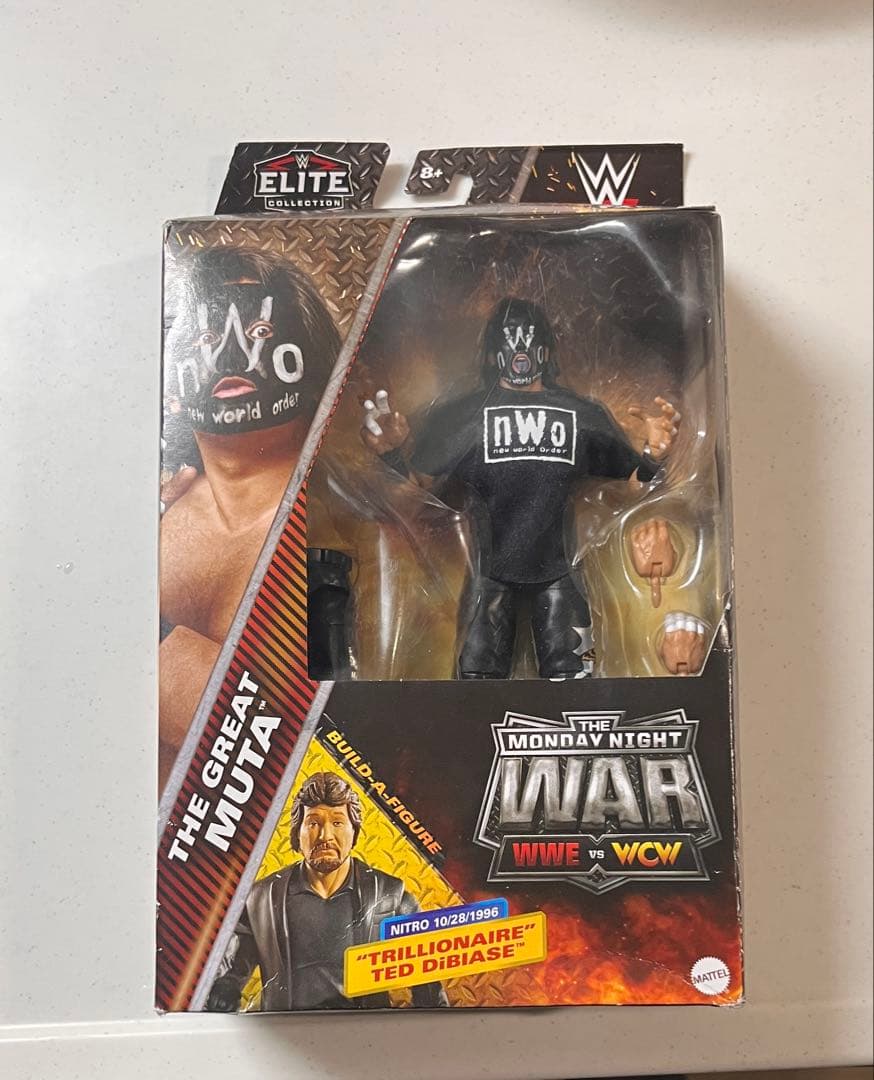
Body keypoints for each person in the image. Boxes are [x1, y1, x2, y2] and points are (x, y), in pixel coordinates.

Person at [360, 297, 682, 679]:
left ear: (545, 351)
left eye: (529, 341)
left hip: (560, 569)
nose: (520, 352)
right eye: (510, 341)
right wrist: (392, 455)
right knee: (476, 683)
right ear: (492, 353)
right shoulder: (466, 417)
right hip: (490, 572)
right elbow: (419, 492)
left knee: (574, 681)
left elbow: (629, 489)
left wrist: (653, 456)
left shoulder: (581, 415)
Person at [159, 248, 342, 790]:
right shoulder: (152, 511)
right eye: (206, 338)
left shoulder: (343, 530)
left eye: (260, 331)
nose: (232, 353)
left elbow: (308, 743)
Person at [206, 771, 448, 1011]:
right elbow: (230, 974)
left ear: (354, 831)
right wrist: (222, 994)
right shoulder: (261, 899)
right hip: (285, 1030)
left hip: (365, 1031)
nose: (325, 836)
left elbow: (428, 985)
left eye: (337, 822)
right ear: (297, 832)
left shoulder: (390, 895)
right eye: (313, 823)